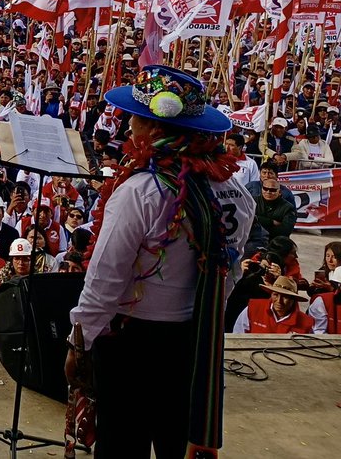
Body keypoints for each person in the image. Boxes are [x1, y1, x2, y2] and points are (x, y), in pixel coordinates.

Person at [67, 66, 256, 459]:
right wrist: (208, 316)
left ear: (155, 126)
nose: (128, 125)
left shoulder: (139, 191)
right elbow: (230, 270)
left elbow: (105, 278)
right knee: (177, 441)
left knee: (123, 443)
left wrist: (79, 339)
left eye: (135, 118)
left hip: (133, 344)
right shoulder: (235, 189)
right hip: (194, 340)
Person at [233, 274, 318, 333]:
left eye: (285, 297)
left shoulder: (306, 323)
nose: (279, 301)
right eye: (275, 295)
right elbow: (237, 333)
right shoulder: (253, 308)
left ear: (293, 300)